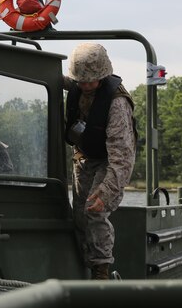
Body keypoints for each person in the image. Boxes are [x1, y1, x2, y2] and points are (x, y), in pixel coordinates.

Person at [63, 43, 136, 280]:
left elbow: (121, 157)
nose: (85, 86)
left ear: (102, 76)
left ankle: (101, 271)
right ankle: (83, 265)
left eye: (90, 81)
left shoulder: (116, 103)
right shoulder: (76, 86)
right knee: (80, 215)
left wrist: (105, 192)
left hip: (111, 161)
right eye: (80, 81)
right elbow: (53, 78)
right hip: (85, 156)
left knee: (95, 210)